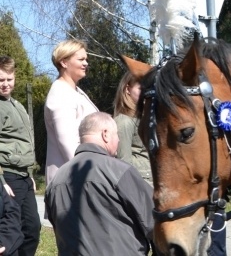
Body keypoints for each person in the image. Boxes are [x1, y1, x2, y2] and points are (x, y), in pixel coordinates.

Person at [44, 112, 153, 255]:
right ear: (105, 134)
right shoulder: (120, 171)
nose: (119, 140)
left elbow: (57, 227)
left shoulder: (56, 180)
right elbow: (153, 221)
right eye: (117, 135)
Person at [44, 39, 99, 185]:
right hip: (71, 180)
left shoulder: (74, 91)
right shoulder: (60, 93)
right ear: (64, 62)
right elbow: (68, 144)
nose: (86, 63)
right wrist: (91, 175)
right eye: (81, 59)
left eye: (86, 59)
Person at [0, 57, 39, 256]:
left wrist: (30, 173)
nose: (5, 84)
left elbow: (26, 142)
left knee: (32, 228)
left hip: (23, 176)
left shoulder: (17, 105)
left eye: (9, 78)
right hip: (8, 175)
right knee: (12, 232)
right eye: (1, 80)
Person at [113, 72, 151, 183]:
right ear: (127, 89)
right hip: (142, 184)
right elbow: (123, 165)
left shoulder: (144, 118)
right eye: (141, 88)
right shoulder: (124, 121)